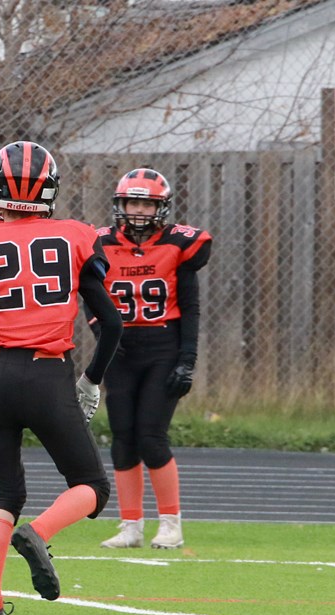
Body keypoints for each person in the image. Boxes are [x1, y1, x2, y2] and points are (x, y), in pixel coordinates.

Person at [0, 141, 123, 615]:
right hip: (47, 372)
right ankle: (39, 533)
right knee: (91, 485)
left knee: (4, 496)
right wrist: (91, 380)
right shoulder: (76, 236)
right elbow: (112, 324)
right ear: (50, 190)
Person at [95, 168, 212, 550]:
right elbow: (90, 296)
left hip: (163, 347)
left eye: (147, 202)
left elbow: (191, 308)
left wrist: (187, 360)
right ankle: (131, 526)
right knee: (123, 438)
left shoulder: (179, 245)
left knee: (151, 435)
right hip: (121, 349)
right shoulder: (101, 244)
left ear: (160, 207)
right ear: (121, 205)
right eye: (133, 202)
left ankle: (171, 523)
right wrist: (102, 335)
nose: (140, 210)